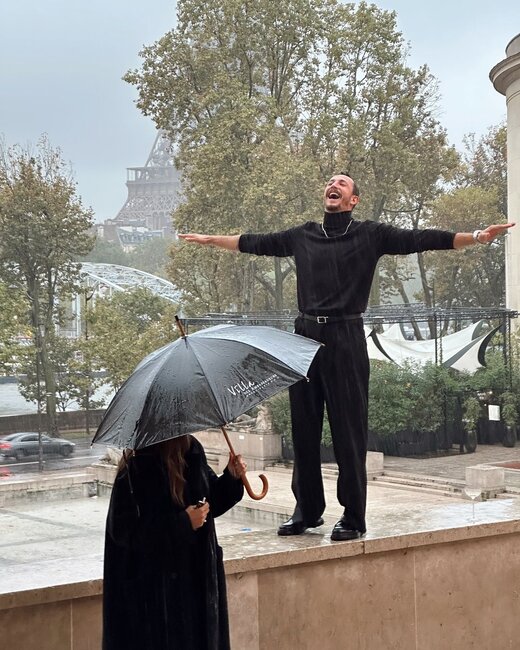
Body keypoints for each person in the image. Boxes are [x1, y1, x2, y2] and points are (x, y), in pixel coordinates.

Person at [179, 173, 514, 542]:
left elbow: (422, 240)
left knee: (348, 434)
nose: (333, 185)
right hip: (304, 337)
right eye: (329, 182)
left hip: (346, 337)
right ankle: (308, 511)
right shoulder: (302, 235)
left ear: (353, 199)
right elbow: (255, 243)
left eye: (342, 183)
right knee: (303, 431)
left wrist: (478, 237)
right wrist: (211, 240)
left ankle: (353, 517)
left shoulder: (370, 234)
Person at [103, 434, 246, 650]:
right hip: (158, 598)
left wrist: (231, 477)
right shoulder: (137, 464)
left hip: (196, 582)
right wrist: (182, 524)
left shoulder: (191, 450)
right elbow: (124, 531)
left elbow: (210, 500)